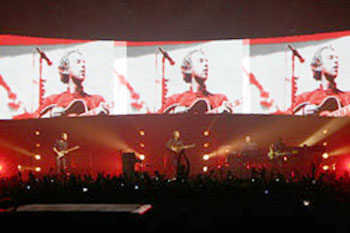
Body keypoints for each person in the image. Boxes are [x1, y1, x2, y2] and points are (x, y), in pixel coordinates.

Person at [35, 50, 109, 117]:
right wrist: (51, 114)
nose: (83, 66)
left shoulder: (96, 101)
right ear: (66, 69)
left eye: (84, 63)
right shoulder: (52, 100)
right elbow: (34, 120)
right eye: (78, 62)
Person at [160, 49, 233, 114]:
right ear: (188, 68)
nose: (205, 64)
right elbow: (156, 121)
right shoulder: (175, 99)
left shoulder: (219, 100)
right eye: (200, 61)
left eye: (206, 61)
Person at [290, 45, 350, 116]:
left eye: (336, 58)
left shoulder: (347, 97)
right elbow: (285, 118)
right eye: (330, 58)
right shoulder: (305, 98)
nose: (335, 61)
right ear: (319, 63)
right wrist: (301, 113)